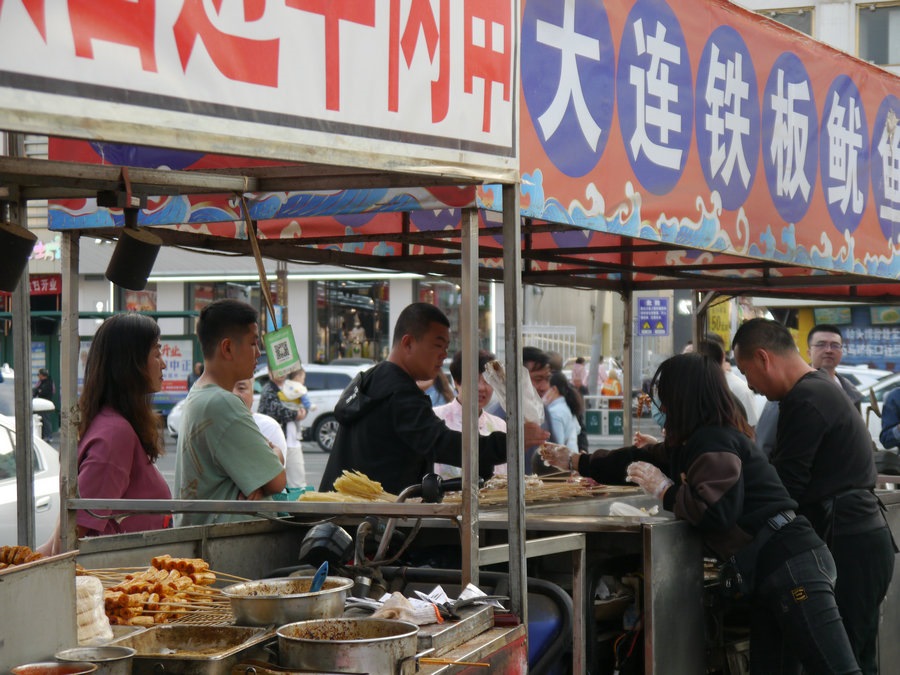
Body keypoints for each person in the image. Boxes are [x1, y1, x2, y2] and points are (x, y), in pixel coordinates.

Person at [541, 353, 861, 674]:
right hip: (771, 569)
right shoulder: (693, 442)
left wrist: (666, 490)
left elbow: (715, 513)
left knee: (836, 669)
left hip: (791, 565)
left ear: (682, 397)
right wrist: (577, 461)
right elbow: (635, 458)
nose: (660, 406)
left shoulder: (713, 441)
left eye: (663, 396)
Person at [732, 318, 895, 674]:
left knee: (845, 661)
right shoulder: (817, 389)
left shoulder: (805, 398)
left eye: (746, 372)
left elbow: (784, 488)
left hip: (850, 542)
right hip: (860, 538)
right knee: (855, 657)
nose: (750, 384)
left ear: (763, 358)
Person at [319, 303, 548, 495]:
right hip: (369, 522)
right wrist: (510, 442)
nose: (443, 355)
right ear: (408, 343)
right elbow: (440, 442)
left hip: (349, 513)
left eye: (446, 347)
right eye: (438, 345)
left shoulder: (373, 378)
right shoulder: (398, 390)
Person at [40, 313, 171, 553]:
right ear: (130, 363)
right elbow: (65, 543)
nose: (163, 363)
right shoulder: (115, 435)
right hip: (116, 575)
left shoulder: (108, 423)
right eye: (156, 353)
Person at [174, 299, 286, 526]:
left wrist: (264, 473)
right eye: (253, 343)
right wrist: (275, 452)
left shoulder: (200, 393)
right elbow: (276, 480)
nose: (258, 353)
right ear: (227, 348)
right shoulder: (222, 402)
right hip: (225, 540)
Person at [433, 349, 507, 479]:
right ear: (457, 382)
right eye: (473, 380)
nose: (481, 388)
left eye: (487, 381)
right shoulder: (435, 418)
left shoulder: (500, 425)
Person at [485, 345, 557, 471]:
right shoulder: (497, 416)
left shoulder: (543, 411)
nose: (545, 386)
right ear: (518, 378)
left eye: (547, 379)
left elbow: (554, 452)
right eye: (538, 379)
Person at [258, 367, 309, 489]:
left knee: (298, 484)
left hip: (293, 441)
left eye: (283, 369)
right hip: (275, 444)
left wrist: (304, 410)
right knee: (276, 485)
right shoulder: (268, 390)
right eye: (276, 369)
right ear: (269, 372)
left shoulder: (291, 386)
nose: (280, 373)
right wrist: (296, 414)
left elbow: (304, 402)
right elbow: (276, 410)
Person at [807, 324, 864, 410]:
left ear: (842, 352)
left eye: (835, 345)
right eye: (821, 345)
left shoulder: (851, 392)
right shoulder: (795, 387)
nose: (829, 350)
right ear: (809, 353)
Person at [233, 377, 286, 467]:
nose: (233, 394)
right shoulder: (210, 426)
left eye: (241, 388)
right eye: (226, 388)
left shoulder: (268, 427)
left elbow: (276, 473)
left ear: (252, 394)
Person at [544, 371, 582, 452]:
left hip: (562, 458)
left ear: (554, 389)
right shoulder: (566, 406)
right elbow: (577, 430)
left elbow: (557, 446)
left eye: (545, 390)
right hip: (572, 455)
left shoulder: (555, 413)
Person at [32, 367, 54, 440]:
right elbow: (36, 390)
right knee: (41, 421)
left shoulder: (48, 382)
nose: (38, 376)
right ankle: (44, 435)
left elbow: (43, 392)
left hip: (45, 405)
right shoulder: (41, 382)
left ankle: (48, 436)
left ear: (42, 375)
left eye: (39, 375)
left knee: (46, 420)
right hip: (40, 404)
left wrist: (39, 391)